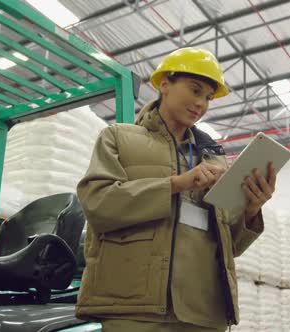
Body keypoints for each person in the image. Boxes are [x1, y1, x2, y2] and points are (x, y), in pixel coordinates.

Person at [75, 47, 277, 332]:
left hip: (205, 313)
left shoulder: (214, 159)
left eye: (208, 97)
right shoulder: (119, 138)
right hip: (136, 312)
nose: (201, 103)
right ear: (164, 85)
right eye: (195, 90)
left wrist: (251, 210)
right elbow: (97, 205)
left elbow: (230, 247)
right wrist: (176, 184)